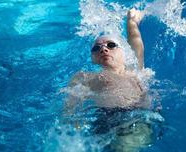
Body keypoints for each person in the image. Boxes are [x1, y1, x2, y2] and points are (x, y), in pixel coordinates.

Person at [64, 8, 155, 151]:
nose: (104, 49)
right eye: (96, 48)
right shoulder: (85, 77)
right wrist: (73, 125)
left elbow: (135, 41)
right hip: (104, 119)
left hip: (137, 119)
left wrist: (131, 22)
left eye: (111, 45)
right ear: (93, 58)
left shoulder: (135, 70)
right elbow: (70, 107)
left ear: (124, 51)